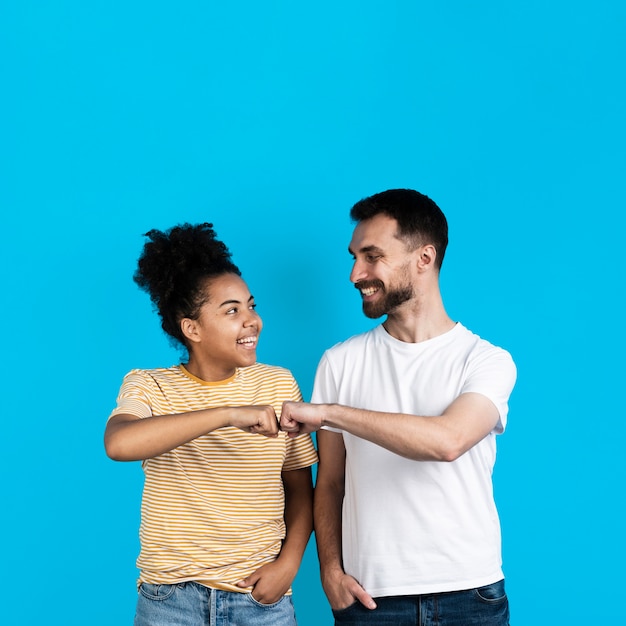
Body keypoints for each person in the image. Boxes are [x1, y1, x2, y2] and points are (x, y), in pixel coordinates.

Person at [280, 189, 517, 625]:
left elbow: (448, 441)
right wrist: (329, 571)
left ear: (424, 258)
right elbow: (330, 483)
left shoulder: (485, 360)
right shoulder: (340, 361)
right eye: (353, 257)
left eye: (372, 256)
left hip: (471, 594)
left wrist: (330, 412)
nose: (356, 273)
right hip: (370, 599)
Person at [105, 222, 317, 626]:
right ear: (192, 328)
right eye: (232, 311)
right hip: (169, 601)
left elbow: (299, 484)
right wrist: (227, 414)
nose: (252, 320)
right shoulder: (149, 385)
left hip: (259, 600)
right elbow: (119, 444)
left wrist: (289, 565)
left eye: (251, 306)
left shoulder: (278, 382)